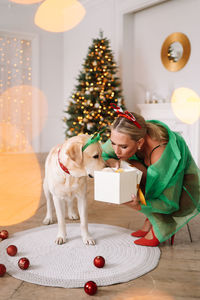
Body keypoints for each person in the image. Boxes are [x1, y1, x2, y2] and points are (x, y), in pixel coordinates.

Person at [101, 104, 200, 247]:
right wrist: (111, 161)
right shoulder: (123, 137)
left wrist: (139, 206)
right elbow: (103, 153)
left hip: (167, 165)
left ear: (140, 142)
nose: (117, 151)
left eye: (123, 147)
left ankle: (163, 226)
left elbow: (168, 203)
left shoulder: (162, 155)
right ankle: (151, 219)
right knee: (130, 170)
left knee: (156, 192)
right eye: (113, 143)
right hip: (148, 158)